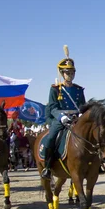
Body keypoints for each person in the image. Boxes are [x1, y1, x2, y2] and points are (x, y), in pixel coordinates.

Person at [40, 46, 86, 179]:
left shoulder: (78, 90)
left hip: (76, 119)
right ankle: (48, 168)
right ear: (62, 73)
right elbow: (53, 107)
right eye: (67, 73)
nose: (70, 75)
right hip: (61, 120)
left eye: (72, 72)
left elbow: (83, 106)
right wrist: (61, 117)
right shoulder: (55, 89)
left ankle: (96, 164)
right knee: (51, 138)